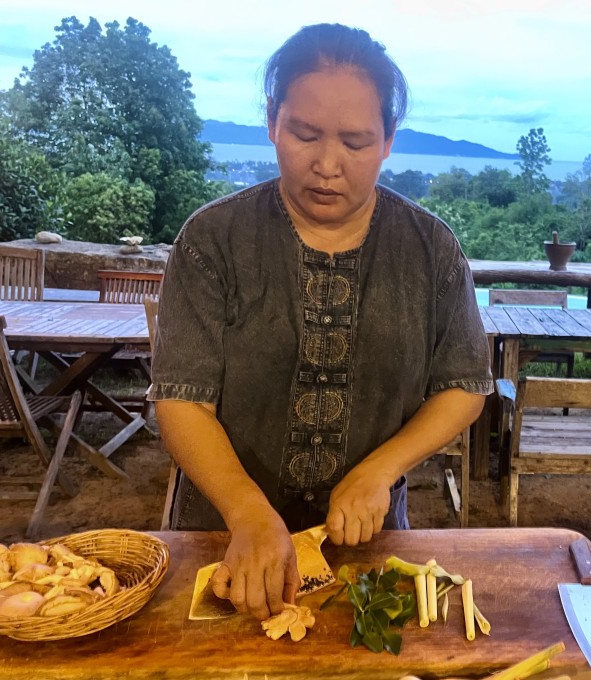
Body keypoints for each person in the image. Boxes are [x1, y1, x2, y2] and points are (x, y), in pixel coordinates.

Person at [149, 23, 492, 621]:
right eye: (305, 134)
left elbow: (462, 386)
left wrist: (380, 470)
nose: (327, 164)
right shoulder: (213, 241)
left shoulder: (430, 250)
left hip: (370, 546)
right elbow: (183, 400)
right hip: (226, 539)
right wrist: (248, 512)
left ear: (388, 140)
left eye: (356, 142)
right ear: (272, 121)